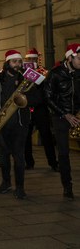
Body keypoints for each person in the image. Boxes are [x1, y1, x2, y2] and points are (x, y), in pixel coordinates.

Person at [0, 50, 40, 200]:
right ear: (7, 63)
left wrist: (26, 98)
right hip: (1, 124)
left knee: (19, 156)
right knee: (3, 155)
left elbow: (38, 98)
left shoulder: (26, 79)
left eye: (19, 62)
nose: (17, 65)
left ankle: (20, 187)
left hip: (20, 124)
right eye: (14, 62)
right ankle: (6, 182)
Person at [43, 43, 80, 200]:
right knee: (64, 153)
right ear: (70, 57)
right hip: (60, 117)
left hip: (77, 115)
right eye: (79, 58)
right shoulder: (55, 74)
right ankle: (67, 186)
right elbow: (48, 97)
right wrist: (65, 114)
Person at [23, 48, 58, 171]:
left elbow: (47, 88)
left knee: (46, 135)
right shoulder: (22, 72)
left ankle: (53, 163)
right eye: (29, 59)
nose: (31, 61)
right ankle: (29, 162)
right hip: (26, 107)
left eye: (33, 59)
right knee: (26, 137)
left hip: (40, 108)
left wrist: (39, 78)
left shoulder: (43, 72)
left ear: (37, 59)